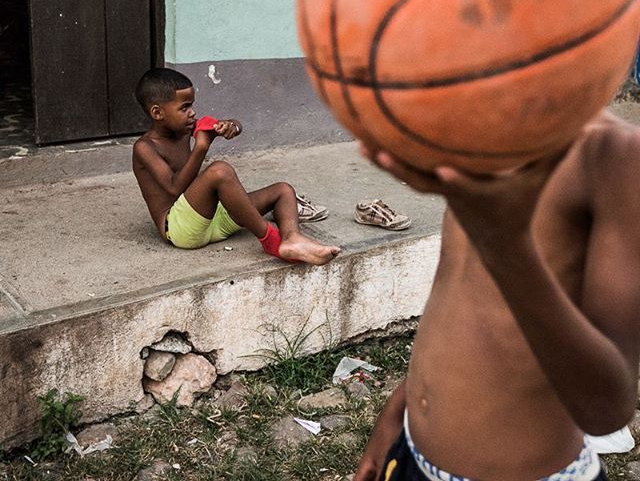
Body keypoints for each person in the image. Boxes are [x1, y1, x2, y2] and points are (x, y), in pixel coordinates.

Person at [354, 110, 640, 481]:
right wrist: (398, 410)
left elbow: (607, 409)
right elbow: (462, 304)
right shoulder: (482, 129)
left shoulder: (610, 153)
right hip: (413, 457)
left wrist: (508, 248)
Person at [132, 68, 340, 265]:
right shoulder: (145, 147)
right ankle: (271, 241)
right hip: (180, 229)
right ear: (157, 113)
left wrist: (232, 126)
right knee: (219, 171)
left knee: (283, 190)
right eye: (184, 107)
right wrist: (201, 147)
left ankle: (292, 239)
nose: (192, 113)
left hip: (212, 218)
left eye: (192, 105)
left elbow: (230, 123)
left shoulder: (185, 128)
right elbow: (173, 187)